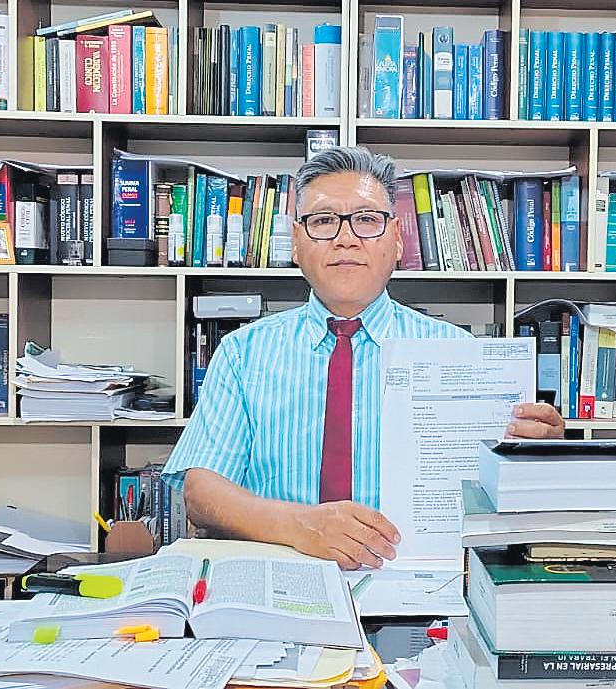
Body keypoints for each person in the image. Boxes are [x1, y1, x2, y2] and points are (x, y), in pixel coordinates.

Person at [162, 147, 565, 569]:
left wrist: (536, 463)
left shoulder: (461, 355)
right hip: (280, 579)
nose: (346, 239)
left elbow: (503, 505)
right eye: (323, 221)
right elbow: (201, 492)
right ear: (296, 243)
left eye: (367, 220)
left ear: (397, 239)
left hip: (422, 584)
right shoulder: (243, 354)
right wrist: (300, 526)